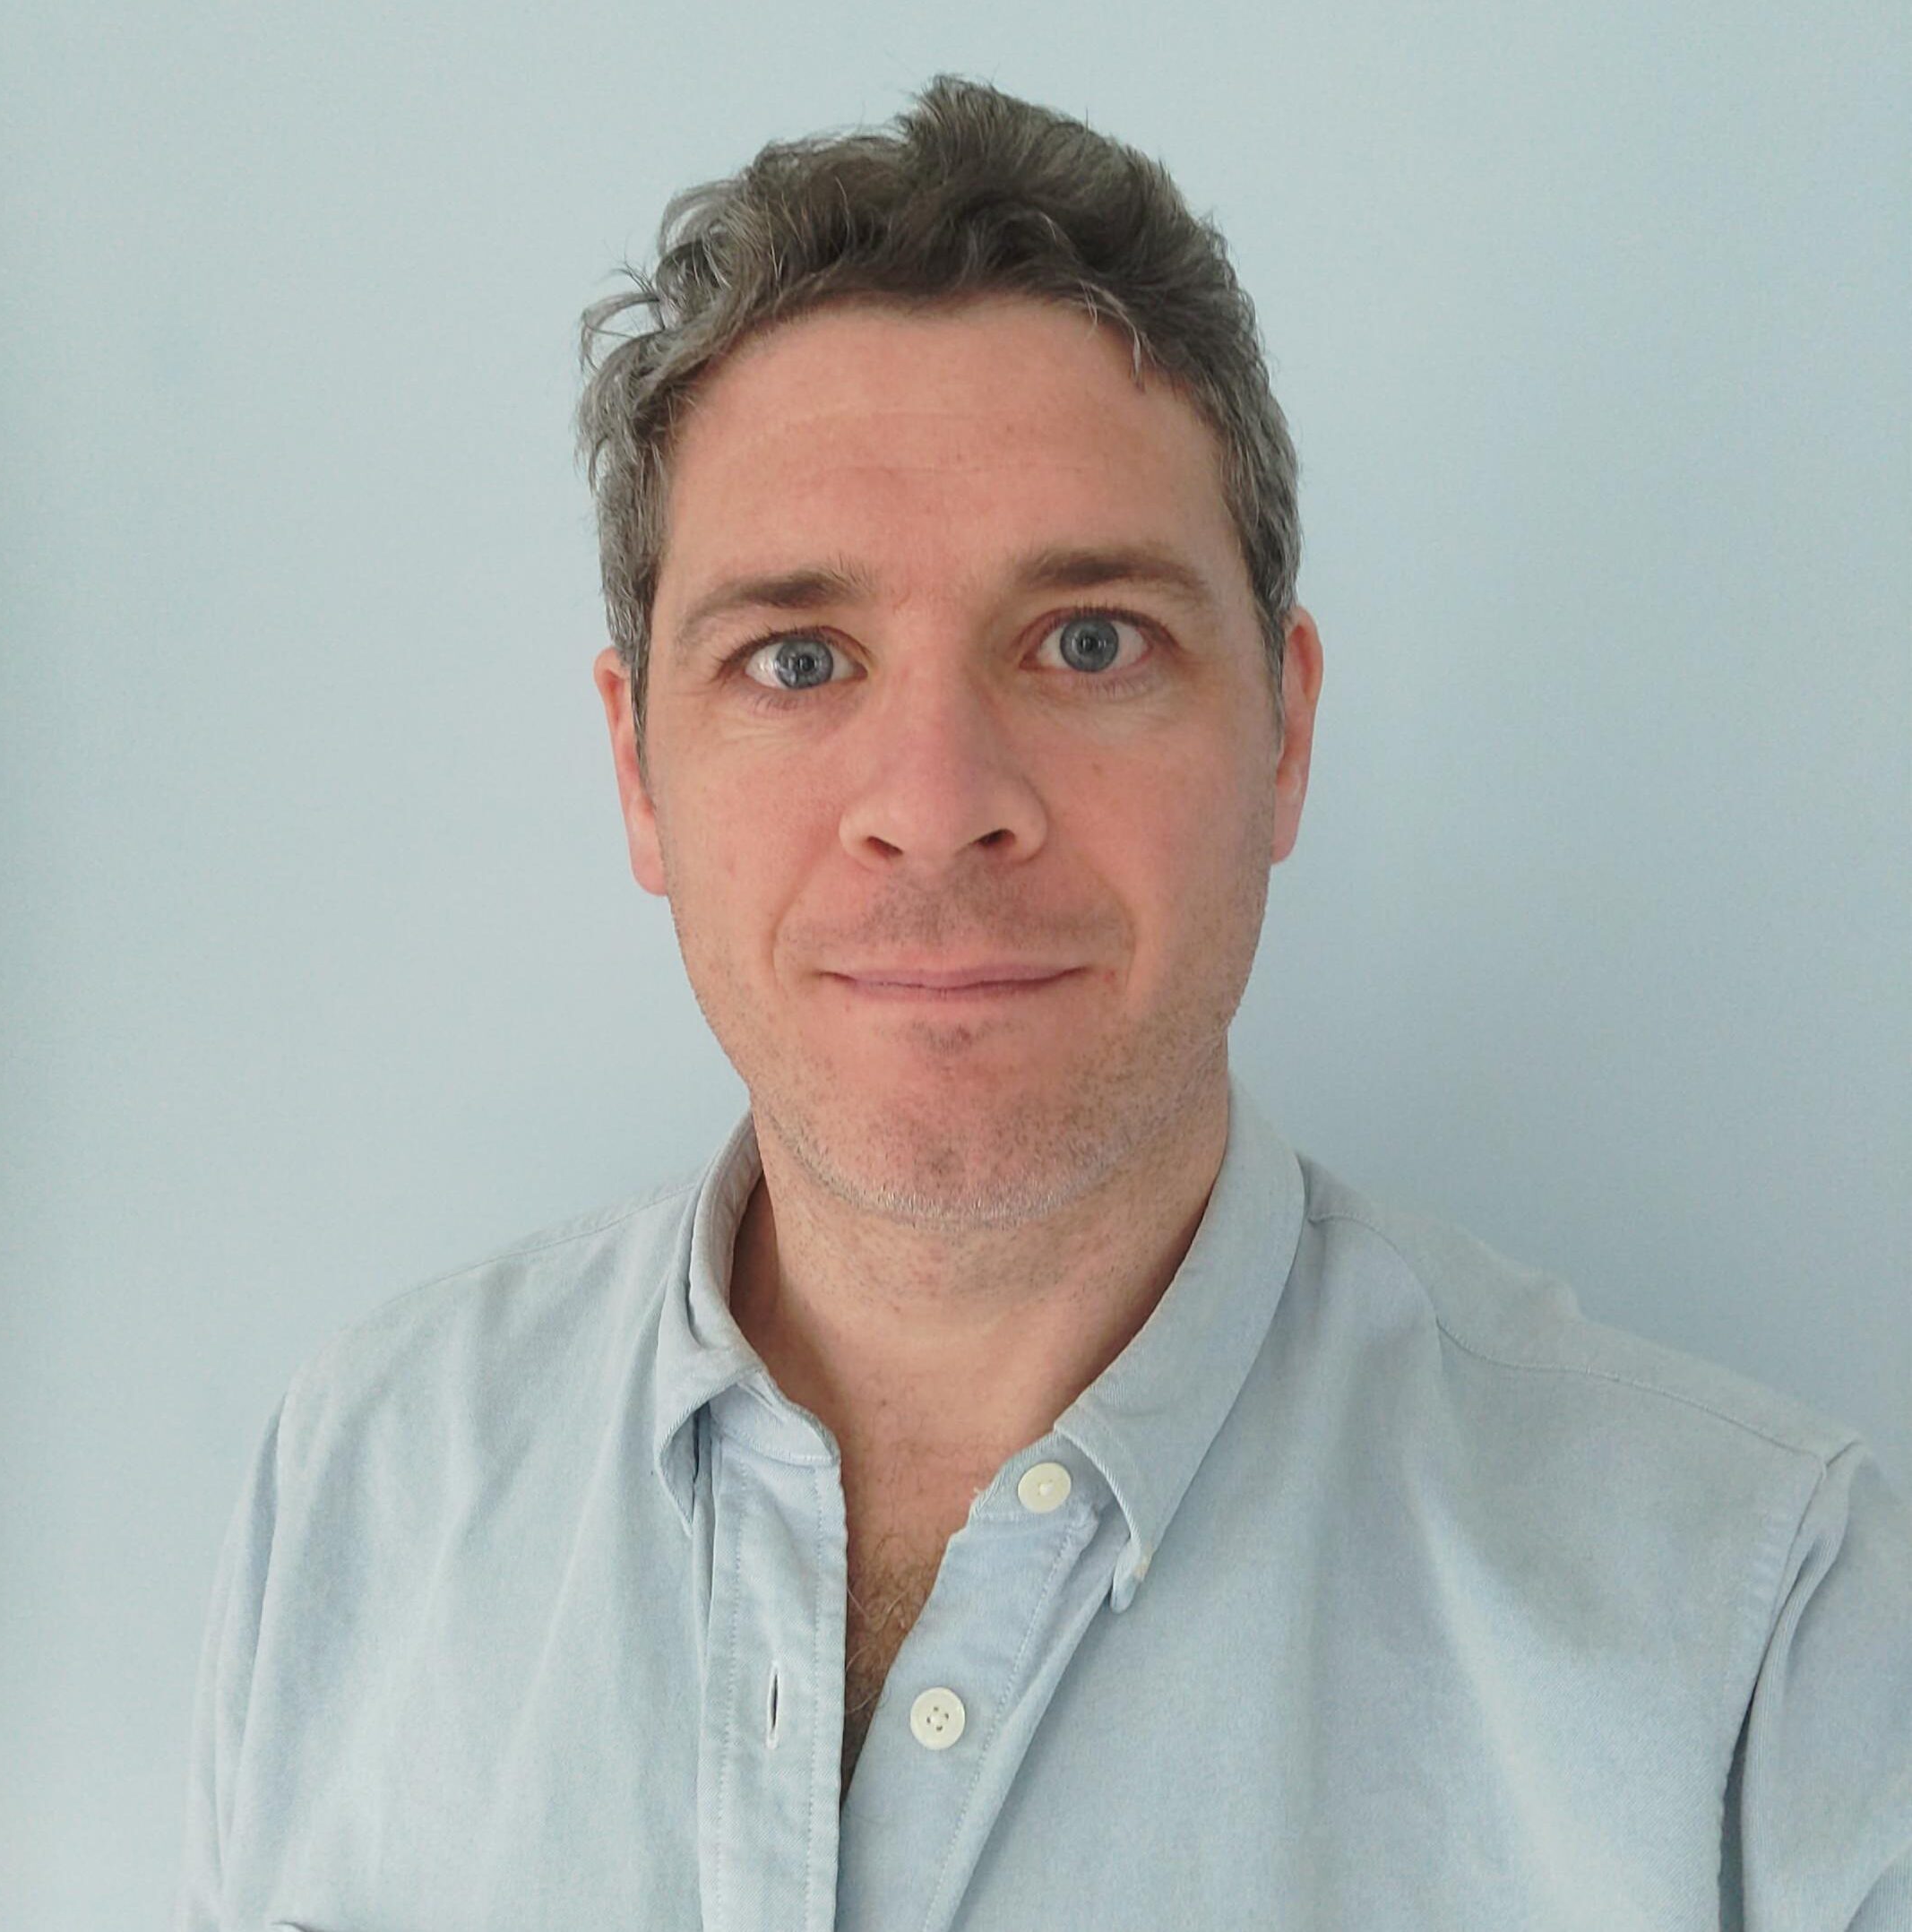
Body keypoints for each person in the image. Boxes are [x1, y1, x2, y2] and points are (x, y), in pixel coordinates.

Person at [174, 74, 1911, 1931]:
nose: (935, 797)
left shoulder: (1756, 1632)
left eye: (1088, 641)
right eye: (798, 656)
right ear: (635, 771)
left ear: (1284, 733)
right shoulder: (364, 1486)